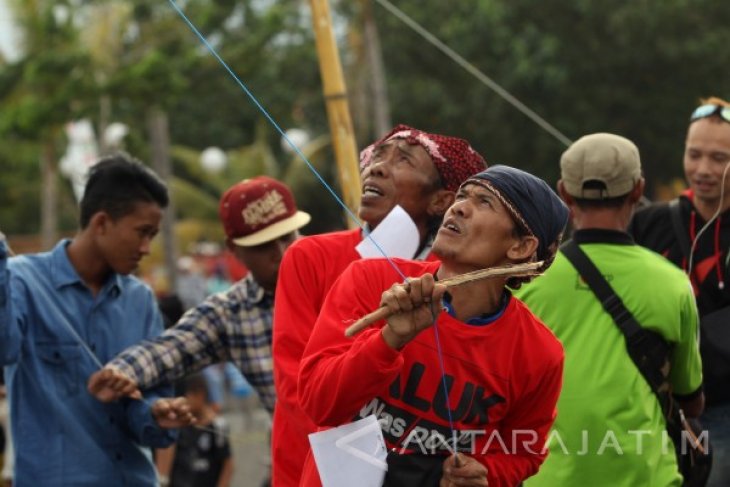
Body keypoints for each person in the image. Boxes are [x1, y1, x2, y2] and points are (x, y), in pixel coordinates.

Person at [297, 165, 569, 486]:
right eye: (463, 195)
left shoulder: (539, 353)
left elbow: (524, 451)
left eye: (484, 202)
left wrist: (487, 474)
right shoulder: (371, 280)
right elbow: (319, 404)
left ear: (520, 248)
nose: (459, 206)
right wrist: (389, 339)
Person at [272, 124, 487, 486]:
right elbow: (298, 385)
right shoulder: (311, 255)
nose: (377, 166)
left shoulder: (458, 283)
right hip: (315, 468)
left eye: (403, 160)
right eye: (378, 155)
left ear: (442, 201)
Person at [517, 133, 704, 486]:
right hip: (645, 477)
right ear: (638, 189)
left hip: (543, 476)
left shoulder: (526, 280)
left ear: (563, 192)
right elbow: (690, 399)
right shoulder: (673, 282)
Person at [0, 155, 194, 486]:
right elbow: (4, 348)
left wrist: (159, 413)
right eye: (142, 233)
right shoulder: (20, 281)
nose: (147, 248)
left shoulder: (141, 300)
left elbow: (145, 410)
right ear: (101, 222)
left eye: (153, 235)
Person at [87, 175, 312, 417]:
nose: (281, 252)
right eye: (264, 245)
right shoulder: (231, 313)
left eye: (287, 237)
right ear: (234, 250)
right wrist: (120, 374)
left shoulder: (342, 274)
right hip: (303, 449)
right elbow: (170, 348)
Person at [629, 97, 730, 486]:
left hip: (721, 409)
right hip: (656, 411)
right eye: (694, 154)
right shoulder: (649, 224)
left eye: (719, 158)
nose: (703, 170)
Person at [160, 374, 234, 487]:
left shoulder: (217, 425)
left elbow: (227, 464)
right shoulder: (180, 423)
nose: (185, 402)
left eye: (188, 396)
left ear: (200, 395)